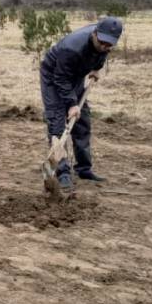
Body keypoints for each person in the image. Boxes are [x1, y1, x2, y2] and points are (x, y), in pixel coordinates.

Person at [41, 16, 123, 190]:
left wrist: (95, 69)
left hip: (76, 74)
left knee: (82, 120)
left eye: (109, 45)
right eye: (102, 42)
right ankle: (61, 172)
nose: (105, 47)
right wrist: (71, 104)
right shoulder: (72, 48)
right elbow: (61, 79)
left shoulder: (105, 40)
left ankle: (84, 168)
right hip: (54, 75)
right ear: (94, 34)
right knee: (57, 122)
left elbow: (101, 54)